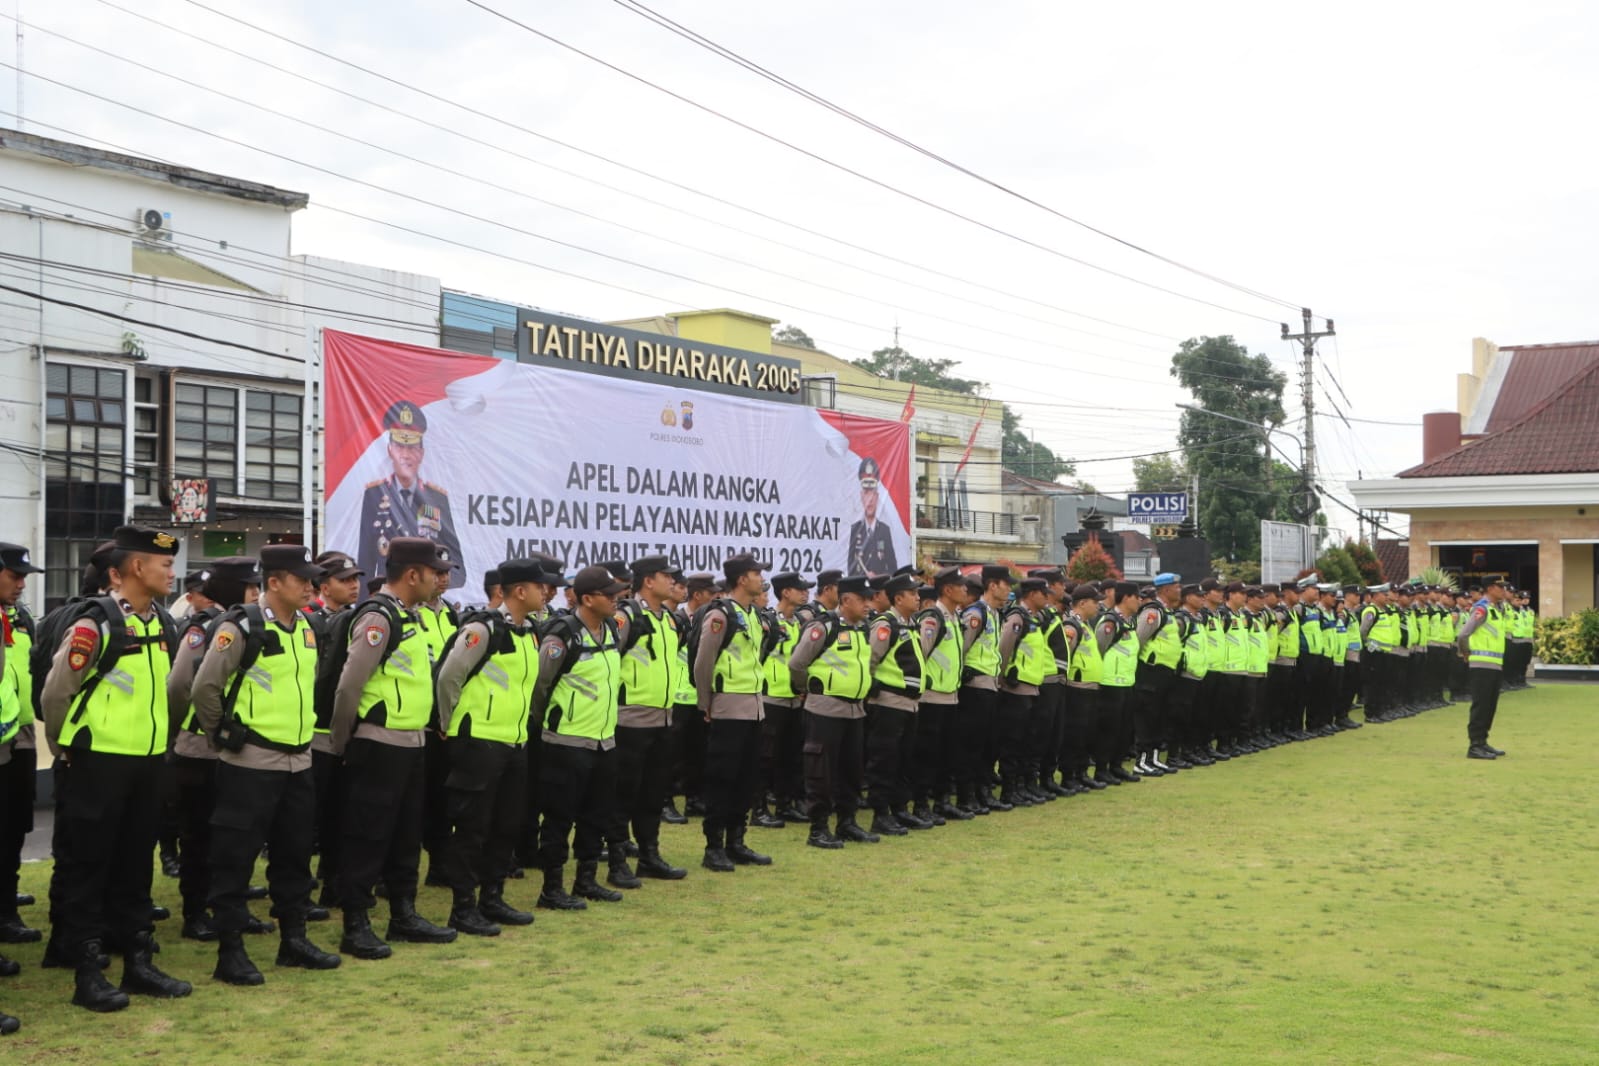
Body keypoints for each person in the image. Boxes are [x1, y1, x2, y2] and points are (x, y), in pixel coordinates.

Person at [41, 525, 191, 1012]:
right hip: (97, 764)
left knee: (134, 868)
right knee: (89, 868)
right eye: (164, 564)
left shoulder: (163, 624)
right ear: (132, 569)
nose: (172, 572)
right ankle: (87, 972)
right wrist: (67, 748)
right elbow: (55, 694)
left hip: (146, 763)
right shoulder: (95, 624)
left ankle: (138, 963)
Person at [192, 545, 342, 985]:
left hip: (299, 762)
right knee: (234, 859)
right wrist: (224, 737)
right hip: (251, 762)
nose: (311, 587)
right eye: (302, 579)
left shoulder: (307, 628)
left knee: (294, 857)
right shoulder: (241, 627)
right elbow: (205, 688)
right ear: (274, 581)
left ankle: (293, 940)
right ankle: (230, 951)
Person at [329, 537, 459, 960]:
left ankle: (404, 913)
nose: (440, 579)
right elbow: (350, 685)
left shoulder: (413, 616)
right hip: (379, 742)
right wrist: (344, 740)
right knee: (368, 835)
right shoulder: (379, 617)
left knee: (406, 835)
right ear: (412, 574)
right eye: (433, 571)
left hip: (411, 740)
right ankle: (356, 923)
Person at [434, 558, 556, 936]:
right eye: (540, 587)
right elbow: (449, 677)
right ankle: (463, 907)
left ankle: (493, 897)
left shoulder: (530, 632)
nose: (546, 593)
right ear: (520, 591)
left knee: (506, 826)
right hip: (479, 743)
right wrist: (448, 725)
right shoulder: (483, 628)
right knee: (473, 828)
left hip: (514, 742)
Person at [164, 558, 272, 942]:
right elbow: (180, 684)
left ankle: (231, 908)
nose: (257, 593)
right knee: (198, 838)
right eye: (249, 586)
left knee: (237, 837)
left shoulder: (247, 623)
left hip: (235, 748)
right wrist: (186, 731)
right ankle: (196, 913)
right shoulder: (206, 625)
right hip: (201, 748)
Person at [530, 566, 627, 910]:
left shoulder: (612, 629)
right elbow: (540, 686)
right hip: (566, 743)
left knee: (596, 815)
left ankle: (586, 880)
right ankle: (552, 888)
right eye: (609, 594)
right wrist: (551, 725)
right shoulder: (562, 633)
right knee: (558, 817)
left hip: (604, 741)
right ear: (587, 598)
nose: (616, 598)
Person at [608, 556, 690, 885]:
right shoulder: (627, 615)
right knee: (623, 794)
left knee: (653, 793)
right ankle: (616, 861)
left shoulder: (668, 619)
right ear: (647, 581)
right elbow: (609, 661)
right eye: (664, 576)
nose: (671, 581)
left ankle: (649, 855)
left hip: (662, 719)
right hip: (630, 721)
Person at [692, 555, 775, 872]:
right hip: (727, 708)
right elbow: (703, 662)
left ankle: (736, 842)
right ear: (742, 579)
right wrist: (706, 703)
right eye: (756, 573)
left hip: (753, 708)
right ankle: (714, 847)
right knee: (721, 779)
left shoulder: (752, 614)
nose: (760, 579)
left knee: (747, 779)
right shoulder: (720, 614)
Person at [789, 575, 884, 848]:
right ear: (845, 600)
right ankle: (818, 828)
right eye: (862, 599)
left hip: (855, 711)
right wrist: (805, 688)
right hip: (825, 710)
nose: (868, 604)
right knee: (821, 772)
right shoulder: (823, 626)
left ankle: (847, 823)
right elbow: (797, 663)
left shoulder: (864, 629)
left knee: (851, 771)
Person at [356, 400, 465, 587]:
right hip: (388, 597)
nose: (405, 455)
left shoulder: (437, 498)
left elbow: (458, 570)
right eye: (399, 447)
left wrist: (432, 586)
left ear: (421, 453)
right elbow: (365, 564)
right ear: (390, 450)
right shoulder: (374, 495)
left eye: (412, 448)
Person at [0, 543, 45, 953]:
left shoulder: (22, 618)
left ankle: (6, 909)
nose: (20, 584)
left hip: (22, 734)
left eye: (24, 577)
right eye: (14, 575)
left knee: (14, 826)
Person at [864, 572, 927, 835]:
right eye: (912, 593)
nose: (918, 597)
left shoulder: (909, 624)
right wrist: (872, 686)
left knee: (904, 760)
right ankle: (881, 814)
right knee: (885, 760)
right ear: (898, 598)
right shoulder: (886, 624)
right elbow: (870, 659)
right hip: (889, 703)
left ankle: (899, 809)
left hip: (909, 704)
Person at [756, 571, 813, 828]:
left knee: (791, 757)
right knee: (765, 758)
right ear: (786, 592)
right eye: (799, 589)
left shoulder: (799, 622)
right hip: (771, 698)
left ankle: (785, 804)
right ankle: (758, 809)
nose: (805, 593)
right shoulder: (768, 621)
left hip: (794, 698)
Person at [911, 567, 968, 823]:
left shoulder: (955, 617)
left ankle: (942, 802)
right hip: (932, 698)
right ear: (947, 589)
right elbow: (920, 654)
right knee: (927, 755)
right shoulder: (933, 618)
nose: (965, 590)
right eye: (961, 585)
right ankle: (921, 804)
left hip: (951, 696)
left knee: (949, 753)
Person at [957, 566, 1010, 814]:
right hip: (975, 685)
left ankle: (983, 791)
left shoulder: (995, 614)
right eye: (1005, 584)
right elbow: (962, 647)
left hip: (990, 685)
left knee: (989, 744)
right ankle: (967, 797)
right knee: (972, 745)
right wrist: (963, 673)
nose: (1009, 589)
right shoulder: (976, 613)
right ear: (992, 585)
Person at [996, 578, 1050, 806]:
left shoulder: (1033, 619)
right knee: (1013, 742)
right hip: (1015, 688)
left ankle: (1020, 787)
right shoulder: (1018, 617)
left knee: (1027, 741)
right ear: (1031, 594)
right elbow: (1004, 648)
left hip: (1031, 688)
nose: (1046, 597)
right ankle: (1009, 790)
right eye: (1042, 593)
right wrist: (1002, 677)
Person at [1133, 574, 1183, 776]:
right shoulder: (1153, 612)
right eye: (1176, 587)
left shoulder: (1168, 612)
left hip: (1166, 671)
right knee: (1148, 716)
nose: (1180, 590)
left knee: (1160, 716)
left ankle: (1153, 757)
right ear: (1165, 590)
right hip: (1151, 672)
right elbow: (1139, 639)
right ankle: (1142, 760)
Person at [1094, 582, 1142, 785]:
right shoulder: (1110, 622)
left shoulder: (1130, 622)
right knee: (1109, 729)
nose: (1139, 601)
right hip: (1110, 682)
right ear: (1125, 598)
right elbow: (1099, 648)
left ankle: (1117, 765)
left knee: (1124, 728)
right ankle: (1102, 769)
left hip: (1127, 681)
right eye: (1136, 597)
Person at [1457, 578, 1509, 760]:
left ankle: (1483, 741)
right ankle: (1475, 745)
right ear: (1490, 588)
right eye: (1500, 587)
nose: (1504, 590)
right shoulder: (1483, 609)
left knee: (1490, 706)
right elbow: (1463, 634)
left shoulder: (1496, 610)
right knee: (1481, 705)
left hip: (1494, 665)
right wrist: (1465, 653)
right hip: (1481, 665)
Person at [845, 458, 897, 574]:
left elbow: (893, 568)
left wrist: (878, 577)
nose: (870, 500)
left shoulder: (884, 530)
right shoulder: (855, 529)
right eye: (866, 493)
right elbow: (851, 568)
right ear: (861, 497)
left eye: (873, 494)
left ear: (877, 497)